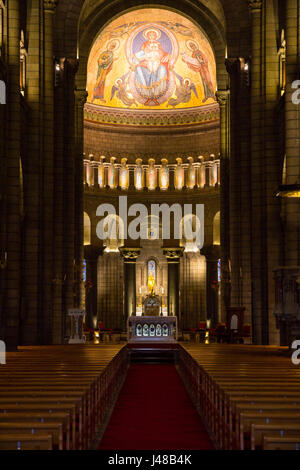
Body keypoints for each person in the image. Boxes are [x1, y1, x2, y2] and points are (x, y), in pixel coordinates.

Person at [132, 28, 170, 106]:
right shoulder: (145, 44)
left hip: (157, 62)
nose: (152, 36)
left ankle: (155, 96)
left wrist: (168, 55)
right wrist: (136, 60)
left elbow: (162, 53)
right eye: (150, 35)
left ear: (156, 36)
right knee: (139, 69)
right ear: (147, 36)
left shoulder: (158, 44)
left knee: (162, 69)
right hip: (146, 62)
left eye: (153, 35)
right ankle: (148, 96)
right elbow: (141, 54)